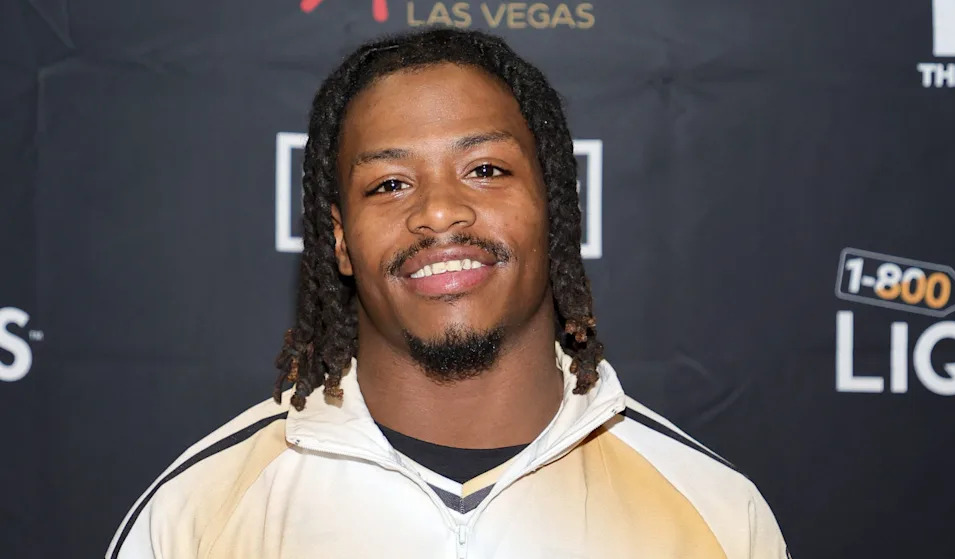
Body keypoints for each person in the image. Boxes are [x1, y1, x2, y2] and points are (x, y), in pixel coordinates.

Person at [107, 28, 789, 559]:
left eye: (485, 169)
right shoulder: (198, 513)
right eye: (389, 184)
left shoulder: (716, 514)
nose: (438, 212)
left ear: (554, 206)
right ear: (339, 239)